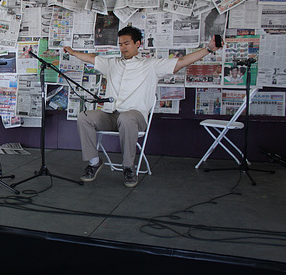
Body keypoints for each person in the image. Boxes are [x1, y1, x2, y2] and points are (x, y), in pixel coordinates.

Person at [64, 26, 221, 188]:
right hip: (111, 115)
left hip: (135, 117)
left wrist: (208, 49)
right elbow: (91, 58)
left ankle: (128, 167)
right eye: (120, 44)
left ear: (138, 43)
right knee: (85, 116)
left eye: (126, 43)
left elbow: (181, 62)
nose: (123, 47)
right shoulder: (112, 63)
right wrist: (73, 52)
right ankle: (94, 162)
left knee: (126, 118)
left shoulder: (150, 64)